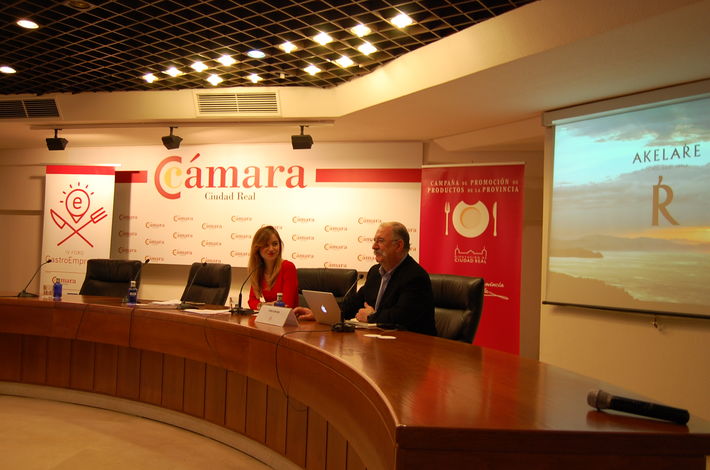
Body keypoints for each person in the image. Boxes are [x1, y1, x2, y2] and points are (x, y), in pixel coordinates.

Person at [295, 221, 437, 336]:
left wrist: (371, 317)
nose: (374, 246)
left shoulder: (415, 277)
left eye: (380, 241)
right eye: (374, 241)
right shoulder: (375, 272)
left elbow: (402, 317)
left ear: (398, 245)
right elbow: (353, 304)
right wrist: (320, 314)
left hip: (413, 346)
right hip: (380, 341)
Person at [247, 225, 298, 311]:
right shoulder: (258, 269)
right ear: (257, 248)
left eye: (275, 244)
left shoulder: (288, 267)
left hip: (288, 317)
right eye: (266, 245)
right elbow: (252, 301)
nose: (271, 249)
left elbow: (287, 304)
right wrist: (265, 305)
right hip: (270, 316)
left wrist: (264, 306)